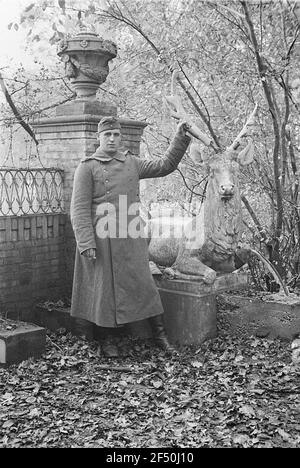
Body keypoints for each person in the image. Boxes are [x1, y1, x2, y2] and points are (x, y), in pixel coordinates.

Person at [70, 116, 191, 357]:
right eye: (107, 135)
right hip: (101, 239)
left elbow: (165, 165)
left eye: (116, 134)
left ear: (120, 137)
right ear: (99, 138)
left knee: (144, 286)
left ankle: (160, 336)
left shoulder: (131, 163)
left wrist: (181, 137)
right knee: (105, 292)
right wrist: (86, 243)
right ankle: (108, 341)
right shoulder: (88, 167)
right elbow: (79, 209)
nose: (112, 139)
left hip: (131, 235)